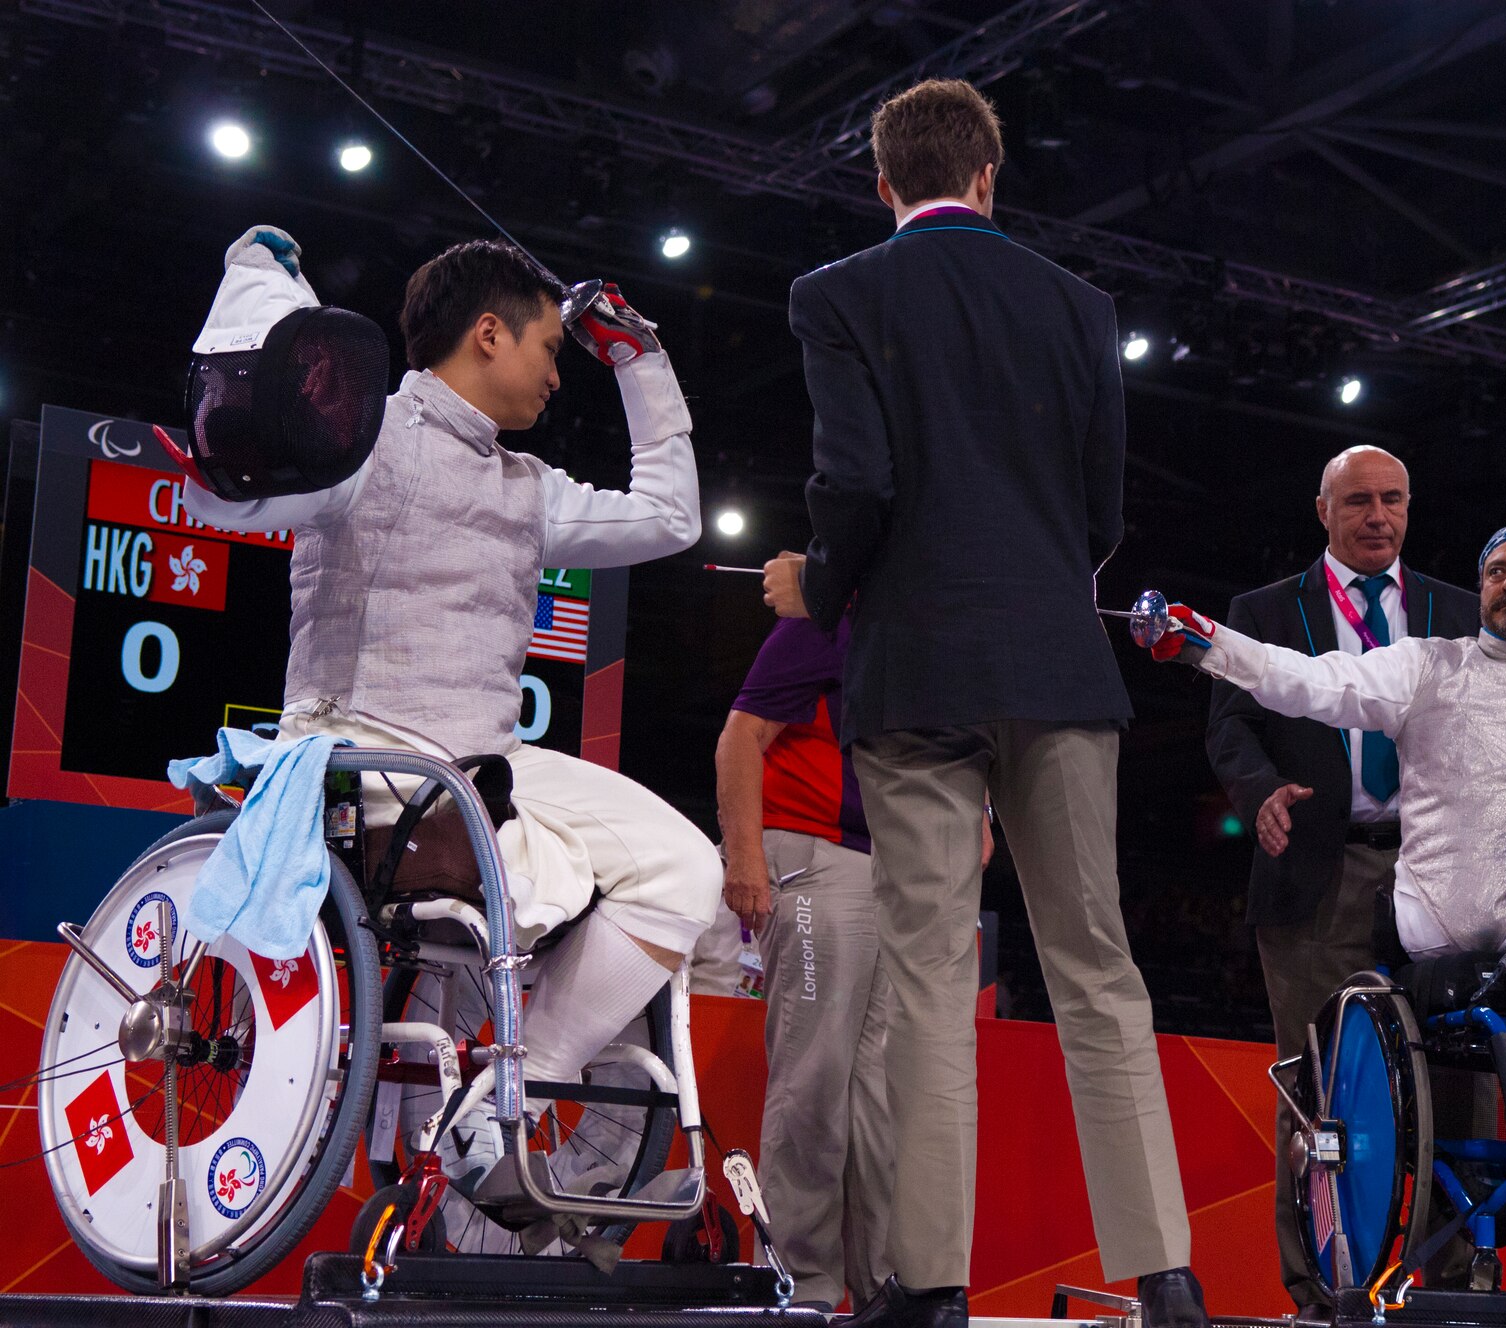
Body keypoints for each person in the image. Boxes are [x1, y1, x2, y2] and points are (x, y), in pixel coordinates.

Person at [759, 78, 1207, 1328]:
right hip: (1059, 662)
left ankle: (933, 1284)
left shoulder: (837, 294)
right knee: (1096, 964)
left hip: (917, 670)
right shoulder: (1079, 306)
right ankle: (1163, 1271)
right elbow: (1101, 510)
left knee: (923, 969)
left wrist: (816, 583)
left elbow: (853, 481)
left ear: (882, 182)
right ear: (991, 176)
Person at [178, 236, 723, 1194]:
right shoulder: (357, 440)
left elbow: (671, 518)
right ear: (486, 335)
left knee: (687, 868)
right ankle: (499, 1105)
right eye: (552, 350)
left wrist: (641, 361)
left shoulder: (527, 488)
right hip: (367, 760)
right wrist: (263, 361)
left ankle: (518, 1084)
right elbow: (233, 500)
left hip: (482, 766)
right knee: (525, 842)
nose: (559, 375)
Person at [1152, 523, 1506, 1256]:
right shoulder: (1429, 664)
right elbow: (1308, 682)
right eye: (1497, 572)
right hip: (1439, 913)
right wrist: (1209, 642)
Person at [1203, 445, 1477, 1307]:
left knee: (1455, 1088)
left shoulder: (1459, 612)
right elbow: (1230, 729)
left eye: (1393, 499)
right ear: (1322, 510)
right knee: (1319, 1095)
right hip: (1315, 873)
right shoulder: (1264, 611)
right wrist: (1257, 793)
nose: (1377, 517)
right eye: (1358, 501)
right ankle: (1320, 1293)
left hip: (1438, 876)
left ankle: (1454, 1291)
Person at [713, 612, 893, 1312]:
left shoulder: (912, 630)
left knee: (881, 1095)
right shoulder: (823, 625)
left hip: (892, 868)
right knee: (813, 1080)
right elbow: (739, 739)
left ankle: (886, 1287)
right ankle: (803, 1289)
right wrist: (745, 856)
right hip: (814, 859)